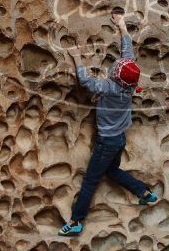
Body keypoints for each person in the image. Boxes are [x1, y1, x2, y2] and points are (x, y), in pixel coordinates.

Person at [59, 12, 159, 236]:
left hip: (107, 142)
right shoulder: (128, 84)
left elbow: (85, 82)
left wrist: (77, 58)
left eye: (115, 68)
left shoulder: (108, 88)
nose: (115, 66)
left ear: (115, 76)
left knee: (90, 182)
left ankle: (76, 222)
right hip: (119, 139)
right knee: (112, 170)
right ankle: (144, 193)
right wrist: (122, 26)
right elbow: (128, 53)